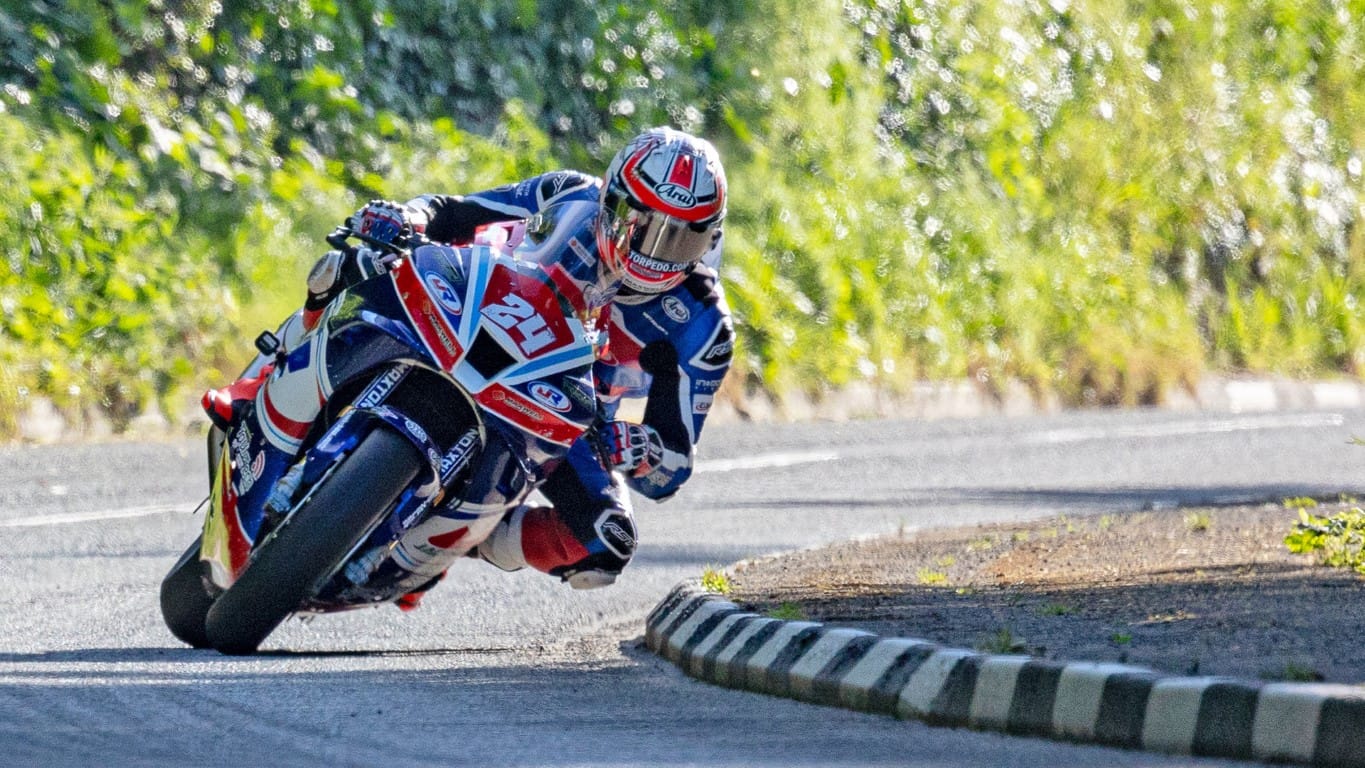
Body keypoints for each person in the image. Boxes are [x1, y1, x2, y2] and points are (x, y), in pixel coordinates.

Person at [206, 127, 733, 601]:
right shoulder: (569, 194)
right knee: (352, 263)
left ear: (708, 240)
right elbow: (455, 211)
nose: (651, 251)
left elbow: (673, 467)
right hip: (473, 313)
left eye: (678, 237)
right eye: (637, 224)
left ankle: (464, 541)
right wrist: (406, 218)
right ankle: (257, 384)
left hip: (565, 417)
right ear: (610, 198)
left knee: (608, 542)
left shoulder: (703, 326)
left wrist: (637, 447)